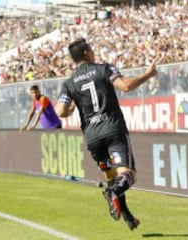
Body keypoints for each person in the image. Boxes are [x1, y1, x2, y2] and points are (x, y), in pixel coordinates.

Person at [55, 38, 158, 230]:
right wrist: (147, 74)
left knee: (110, 175)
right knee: (128, 175)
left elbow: (60, 111)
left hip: (93, 139)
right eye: (91, 49)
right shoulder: (104, 69)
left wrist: (71, 111)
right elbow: (125, 86)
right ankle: (114, 193)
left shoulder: (69, 83)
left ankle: (127, 216)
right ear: (86, 52)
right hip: (113, 131)